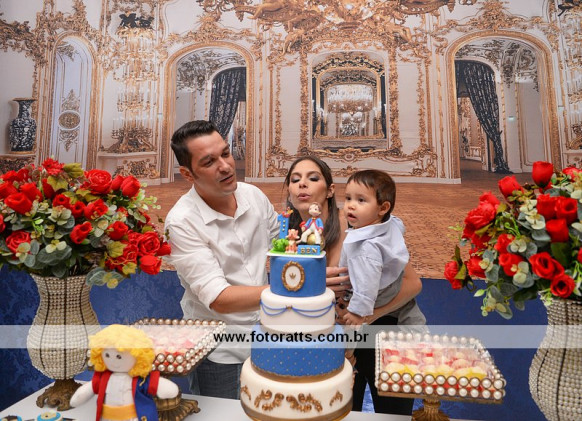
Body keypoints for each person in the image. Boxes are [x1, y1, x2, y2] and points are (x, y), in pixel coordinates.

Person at [283, 156, 424, 415]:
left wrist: (368, 314)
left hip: (385, 330)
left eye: (312, 178)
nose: (302, 184)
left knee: (393, 413)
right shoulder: (289, 237)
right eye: (295, 179)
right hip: (333, 341)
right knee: (343, 411)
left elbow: (413, 283)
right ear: (289, 191)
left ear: (330, 190)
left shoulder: (362, 225)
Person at [165, 120, 280, 399]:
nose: (226, 166)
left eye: (226, 154)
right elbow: (219, 298)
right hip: (219, 350)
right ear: (187, 174)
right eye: (209, 162)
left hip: (267, 337)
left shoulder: (254, 195)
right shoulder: (181, 222)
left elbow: (280, 249)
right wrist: (289, 292)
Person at [70, 325, 179, 420]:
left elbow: (161, 386)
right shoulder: (103, 377)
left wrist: (168, 389)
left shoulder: (140, 379)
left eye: (119, 356)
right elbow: (88, 389)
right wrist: (78, 398)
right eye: (107, 355)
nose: (112, 361)